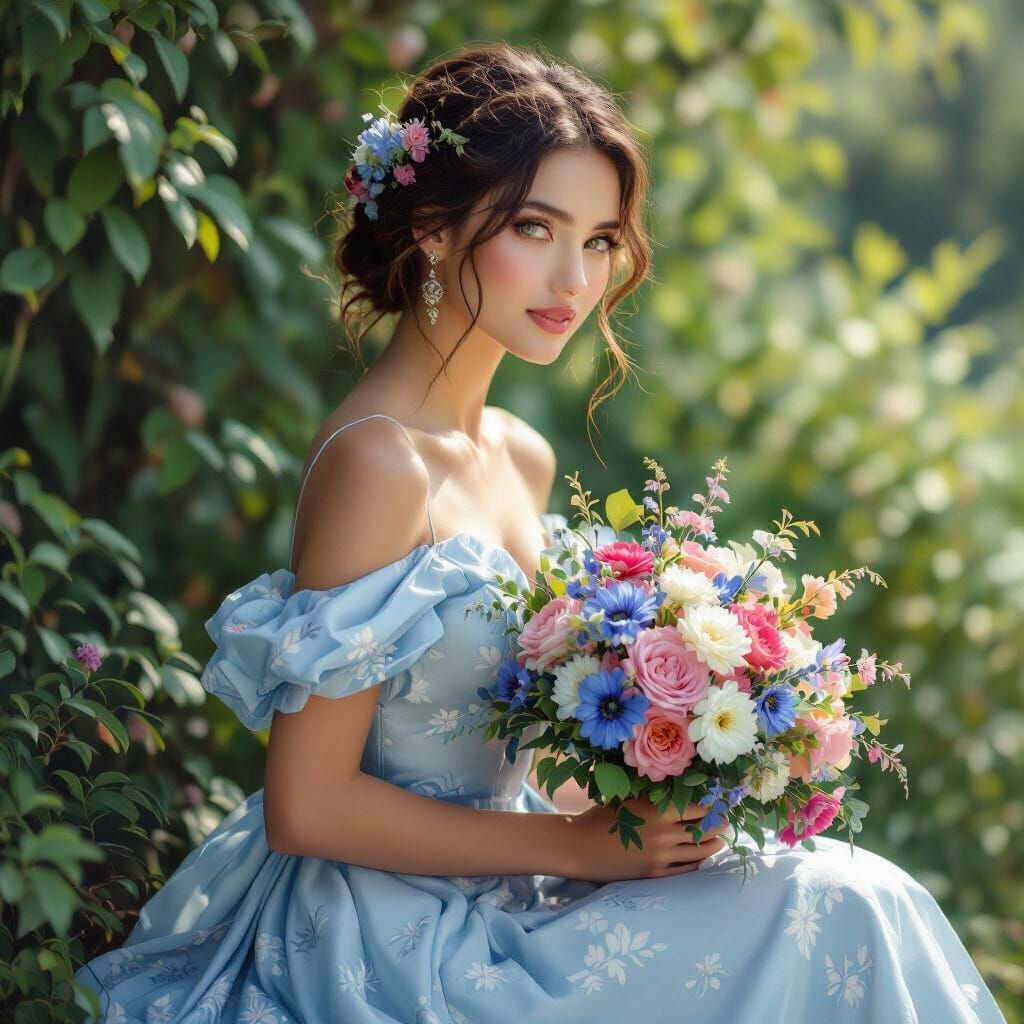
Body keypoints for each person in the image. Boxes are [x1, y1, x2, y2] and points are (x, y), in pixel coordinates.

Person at [75, 41, 1006, 1024]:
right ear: (432, 229)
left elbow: (501, 767)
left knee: (848, 884)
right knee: (838, 908)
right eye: (535, 227)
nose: (575, 277)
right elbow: (309, 807)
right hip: (398, 935)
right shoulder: (378, 463)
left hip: (514, 879)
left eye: (602, 239)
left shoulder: (518, 454)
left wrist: (658, 796)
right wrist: (571, 849)